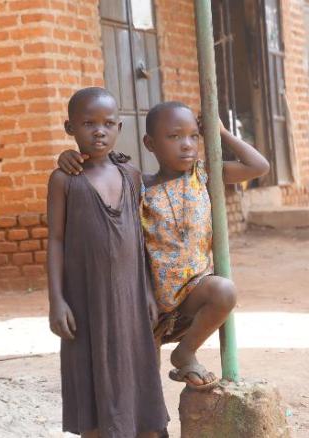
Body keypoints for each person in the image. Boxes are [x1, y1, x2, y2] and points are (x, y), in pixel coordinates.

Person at [57, 101, 270, 390]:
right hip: (149, 299)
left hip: (194, 291)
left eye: (193, 136)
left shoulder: (203, 175)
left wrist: (220, 133)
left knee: (224, 291)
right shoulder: (137, 185)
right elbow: (99, 170)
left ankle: (185, 353)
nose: (187, 145)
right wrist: (69, 158)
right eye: (174, 137)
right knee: (146, 382)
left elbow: (258, 166)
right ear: (150, 144)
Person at [47, 87, 169, 437]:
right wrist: (56, 301)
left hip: (130, 298)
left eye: (108, 124)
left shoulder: (130, 175)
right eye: (88, 124)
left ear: (119, 127)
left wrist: (148, 291)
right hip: (84, 301)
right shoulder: (64, 180)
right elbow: (55, 240)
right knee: (91, 380)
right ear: (70, 128)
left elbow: (140, 239)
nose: (99, 131)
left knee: (136, 372)